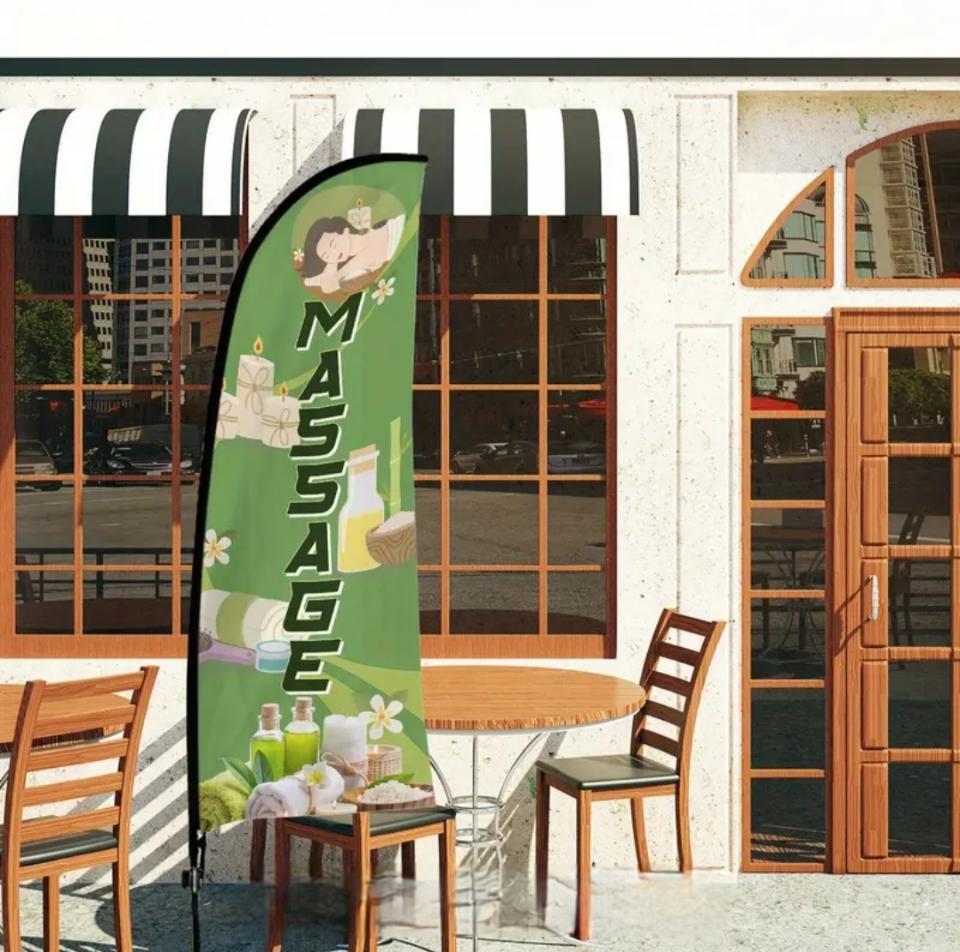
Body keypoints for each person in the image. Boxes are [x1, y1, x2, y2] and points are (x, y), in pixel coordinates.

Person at [299, 212, 405, 296]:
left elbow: (329, 286)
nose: (334, 254)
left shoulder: (362, 255)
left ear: (344, 231)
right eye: (326, 256)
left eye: (333, 244)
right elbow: (329, 284)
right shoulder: (357, 257)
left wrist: (330, 264)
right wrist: (331, 262)